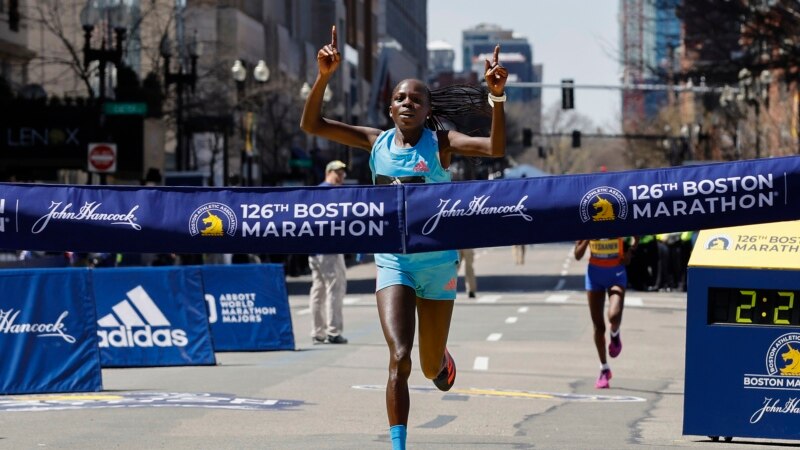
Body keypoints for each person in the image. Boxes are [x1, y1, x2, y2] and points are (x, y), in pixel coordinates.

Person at [300, 26, 507, 450]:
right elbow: (312, 123)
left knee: (431, 367)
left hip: (437, 264)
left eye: (416, 98)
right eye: (399, 98)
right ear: (390, 109)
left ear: (428, 108)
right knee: (399, 357)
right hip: (393, 261)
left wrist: (497, 98)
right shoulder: (374, 143)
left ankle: (443, 360)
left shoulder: (442, 144)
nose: (407, 102)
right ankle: (399, 445)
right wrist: (323, 77)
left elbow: (494, 148)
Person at [574, 236, 638, 389]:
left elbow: (637, 235)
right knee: (599, 327)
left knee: (614, 316)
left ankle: (615, 334)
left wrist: (630, 251)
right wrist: (587, 238)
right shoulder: (587, 219)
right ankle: (604, 369)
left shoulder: (618, 217)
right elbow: (577, 255)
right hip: (594, 275)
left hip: (616, 274)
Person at [308, 160, 350, 345]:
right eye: (337, 173)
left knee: (318, 289)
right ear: (328, 172)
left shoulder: (316, 192)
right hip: (329, 248)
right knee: (335, 288)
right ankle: (333, 331)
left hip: (315, 248)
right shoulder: (331, 193)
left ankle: (318, 332)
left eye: (342, 174)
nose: (340, 177)